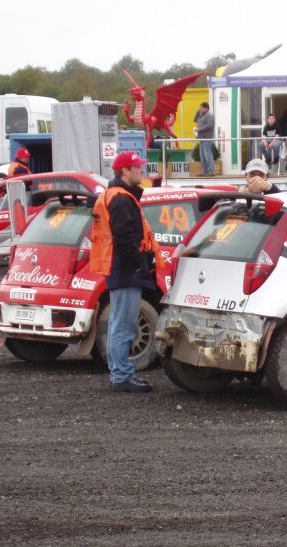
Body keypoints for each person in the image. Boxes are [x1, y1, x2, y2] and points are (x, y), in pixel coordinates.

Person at [90, 151, 163, 393]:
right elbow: (124, 237)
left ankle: (119, 373)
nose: (141, 171)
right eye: (137, 168)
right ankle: (121, 375)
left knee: (118, 322)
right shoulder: (121, 199)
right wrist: (139, 264)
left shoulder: (116, 195)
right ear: (125, 171)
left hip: (119, 268)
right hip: (125, 269)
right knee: (124, 325)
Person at [193, 102, 215, 176]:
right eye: (200, 108)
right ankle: (204, 172)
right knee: (202, 156)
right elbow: (195, 120)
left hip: (207, 138)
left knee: (207, 155)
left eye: (201, 108)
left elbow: (210, 125)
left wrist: (199, 129)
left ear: (206, 108)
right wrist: (197, 111)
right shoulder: (201, 115)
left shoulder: (209, 115)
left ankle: (211, 172)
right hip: (201, 138)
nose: (200, 109)